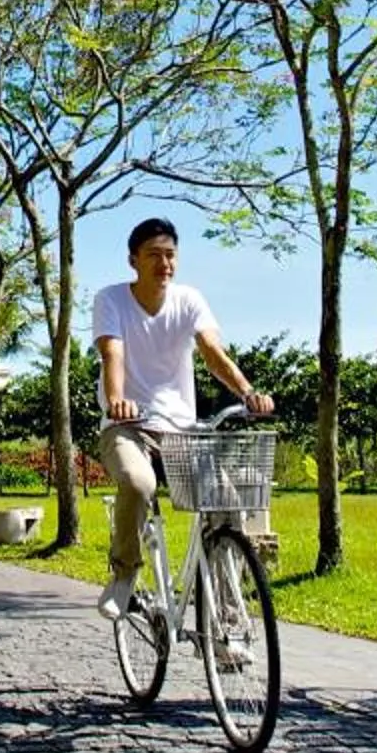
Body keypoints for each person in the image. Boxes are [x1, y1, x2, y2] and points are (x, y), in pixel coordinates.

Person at [94, 215, 271, 619]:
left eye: (171, 255)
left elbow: (212, 351)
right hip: (129, 427)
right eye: (154, 255)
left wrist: (247, 391)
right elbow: (112, 353)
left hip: (181, 432)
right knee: (139, 484)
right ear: (132, 260)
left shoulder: (189, 299)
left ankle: (226, 616)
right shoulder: (111, 299)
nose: (165, 264)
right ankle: (124, 575)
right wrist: (118, 400)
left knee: (226, 505)